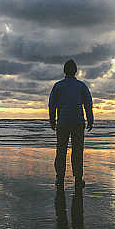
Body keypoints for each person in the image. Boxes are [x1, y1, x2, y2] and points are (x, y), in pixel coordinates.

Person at [48, 59, 93, 190]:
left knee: (61, 151)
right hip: (78, 122)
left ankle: (60, 178)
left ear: (64, 71)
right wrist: (90, 119)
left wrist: (52, 120)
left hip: (62, 122)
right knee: (77, 151)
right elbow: (88, 104)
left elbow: (52, 104)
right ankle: (78, 179)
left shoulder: (58, 86)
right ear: (75, 71)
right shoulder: (81, 85)